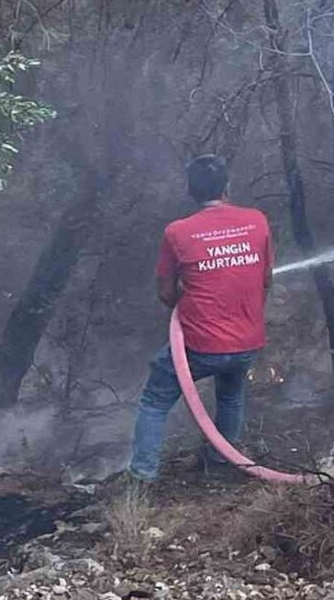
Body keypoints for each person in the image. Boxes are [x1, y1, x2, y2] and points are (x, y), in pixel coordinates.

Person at [126, 155, 273, 482]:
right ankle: (222, 465)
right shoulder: (258, 221)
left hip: (199, 345)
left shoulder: (177, 232)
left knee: (154, 401)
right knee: (231, 397)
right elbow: (265, 279)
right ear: (227, 187)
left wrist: (192, 295)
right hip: (247, 339)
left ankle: (142, 476)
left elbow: (165, 293)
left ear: (190, 191)